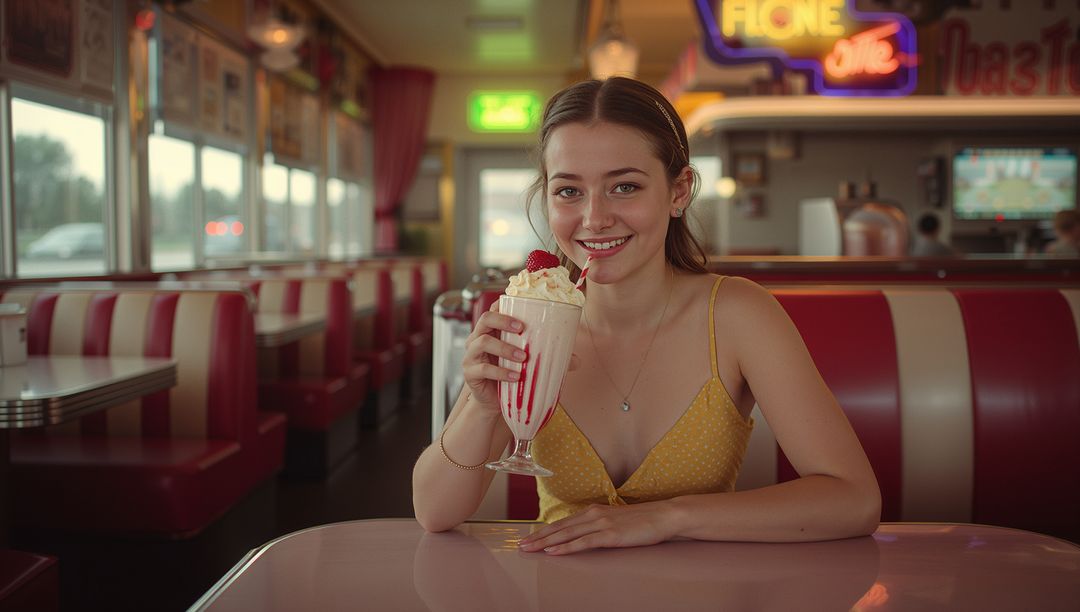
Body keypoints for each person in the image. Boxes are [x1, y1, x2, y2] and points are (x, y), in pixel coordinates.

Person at [413, 77, 880, 553]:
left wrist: (667, 518)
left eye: (624, 186)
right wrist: (484, 407)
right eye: (569, 191)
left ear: (679, 192)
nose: (594, 218)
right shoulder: (529, 317)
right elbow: (434, 512)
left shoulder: (739, 315)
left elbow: (853, 499)